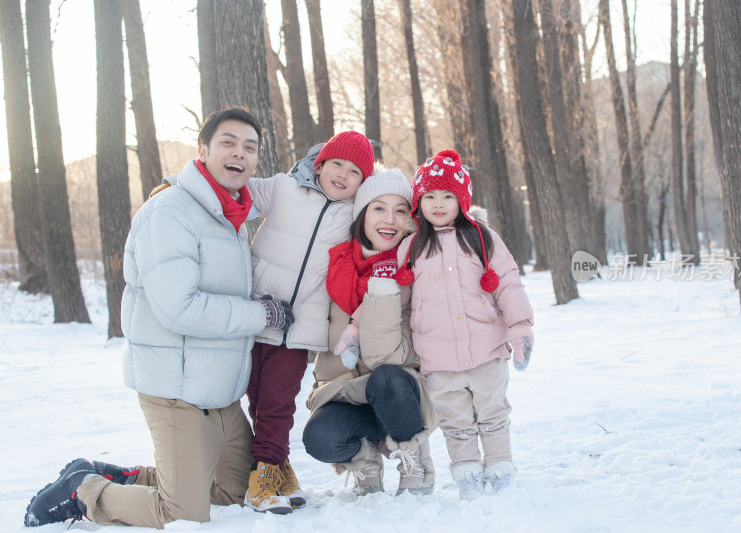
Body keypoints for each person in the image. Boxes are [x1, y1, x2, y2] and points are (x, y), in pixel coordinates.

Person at [24, 108, 295, 529]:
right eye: (228, 143)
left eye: (250, 147)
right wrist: (261, 314)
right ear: (202, 150)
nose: (239, 154)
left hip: (220, 394)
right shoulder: (170, 212)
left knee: (237, 493)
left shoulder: (229, 216)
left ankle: (123, 477)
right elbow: (180, 308)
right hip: (176, 391)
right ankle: (84, 492)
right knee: (183, 513)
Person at [239, 130, 375, 513]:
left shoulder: (354, 214)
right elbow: (233, 191)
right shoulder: (282, 188)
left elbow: (393, 220)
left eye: (355, 172)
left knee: (279, 402)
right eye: (337, 165)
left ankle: (264, 475)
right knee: (257, 397)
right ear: (320, 164)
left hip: (299, 328)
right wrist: (179, 187)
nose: (343, 175)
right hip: (256, 313)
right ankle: (278, 465)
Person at [394, 149, 535, 500]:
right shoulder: (412, 246)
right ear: (419, 202)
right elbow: (396, 296)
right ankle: (468, 474)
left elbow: (507, 280)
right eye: (429, 196)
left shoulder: (481, 237)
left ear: (461, 200)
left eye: (447, 196)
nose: (438, 204)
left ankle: (500, 466)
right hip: (437, 354)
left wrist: (519, 326)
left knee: (492, 411)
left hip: (486, 347)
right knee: (455, 419)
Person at [302, 166, 438, 497]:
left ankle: (414, 460)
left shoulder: (416, 267)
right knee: (319, 437)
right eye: (379, 208)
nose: (389, 220)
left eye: (400, 210)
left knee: (387, 378)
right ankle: (365, 460)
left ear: (411, 218)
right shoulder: (335, 267)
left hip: (402, 394)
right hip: (347, 390)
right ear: (362, 214)